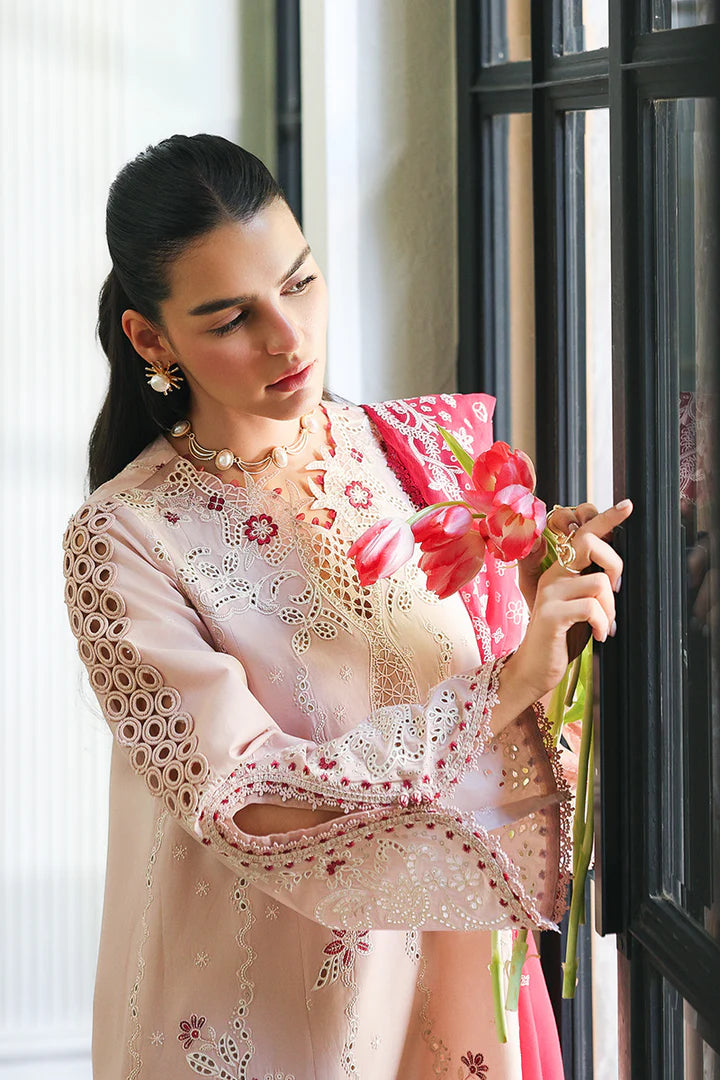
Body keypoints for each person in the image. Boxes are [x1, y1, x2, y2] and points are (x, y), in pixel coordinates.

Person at [62, 133, 631, 1079]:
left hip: (450, 989)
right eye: (231, 317)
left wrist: (537, 616)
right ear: (150, 339)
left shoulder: (421, 454)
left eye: (300, 282)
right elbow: (246, 802)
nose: (289, 338)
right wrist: (507, 686)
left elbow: (512, 738)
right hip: (256, 1015)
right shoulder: (124, 541)